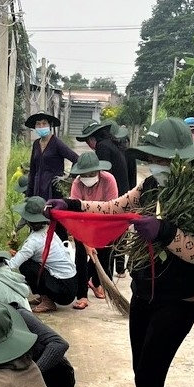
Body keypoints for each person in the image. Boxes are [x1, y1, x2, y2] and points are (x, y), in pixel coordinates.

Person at [46, 117, 194, 387]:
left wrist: (166, 232)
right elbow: (114, 208)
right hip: (144, 294)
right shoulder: (152, 185)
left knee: (152, 377)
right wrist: (72, 204)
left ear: (184, 158)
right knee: (142, 373)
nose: (160, 167)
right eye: (155, 158)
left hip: (178, 301)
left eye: (167, 160)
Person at [68, 150, 119, 309]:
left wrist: (98, 238)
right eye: (85, 174)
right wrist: (85, 241)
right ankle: (82, 295)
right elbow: (75, 212)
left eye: (91, 174)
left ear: (98, 171)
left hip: (104, 222)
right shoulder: (77, 184)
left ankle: (97, 283)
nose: (88, 177)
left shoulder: (109, 180)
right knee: (81, 256)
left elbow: (113, 209)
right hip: (82, 223)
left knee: (104, 253)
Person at [8, 196, 77, 313]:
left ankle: (47, 301)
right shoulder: (49, 231)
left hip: (63, 290)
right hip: (71, 284)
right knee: (30, 262)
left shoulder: (34, 241)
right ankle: (45, 295)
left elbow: (12, 265)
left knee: (26, 265)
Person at [25, 111, 79, 201]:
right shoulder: (36, 144)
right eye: (38, 124)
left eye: (44, 123)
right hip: (37, 188)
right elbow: (33, 169)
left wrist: (68, 178)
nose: (41, 126)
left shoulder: (57, 143)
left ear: (50, 125)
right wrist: (29, 193)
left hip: (53, 190)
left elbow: (76, 159)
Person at [110, 122, 137, 277]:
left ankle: (114, 266)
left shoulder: (113, 152)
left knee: (112, 232)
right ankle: (120, 268)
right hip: (125, 196)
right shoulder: (129, 154)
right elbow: (132, 178)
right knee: (122, 232)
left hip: (113, 198)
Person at [76, 120, 129, 195]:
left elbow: (104, 175)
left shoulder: (102, 147)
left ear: (91, 139)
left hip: (115, 193)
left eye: (87, 142)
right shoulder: (110, 143)